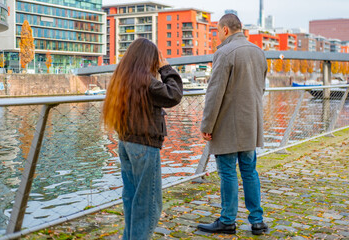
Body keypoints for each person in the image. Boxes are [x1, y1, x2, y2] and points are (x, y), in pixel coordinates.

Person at [102, 38, 183, 240]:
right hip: (144, 146)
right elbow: (174, 94)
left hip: (125, 144)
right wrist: (166, 68)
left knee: (131, 199)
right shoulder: (147, 83)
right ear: (149, 60)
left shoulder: (122, 80)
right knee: (148, 205)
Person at [197, 14, 268, 235]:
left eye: (218, 31)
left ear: (225, 30)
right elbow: (260, 88)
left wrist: (206, 125)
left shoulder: (224, 53)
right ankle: (257, 221)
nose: (218, 35)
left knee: (227, 172)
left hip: (227, 123)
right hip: (251, 123)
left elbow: (214, 93)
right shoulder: (258, 52)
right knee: (249, 171)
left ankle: (227, 220)